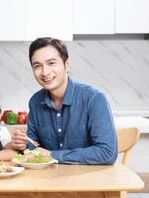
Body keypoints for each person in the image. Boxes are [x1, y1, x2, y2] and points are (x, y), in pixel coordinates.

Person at [11, 37, 118, 165]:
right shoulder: (35, 102)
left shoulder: (94, 98)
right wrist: (24, 144)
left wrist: (53, 155)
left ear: (66, 65)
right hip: (48, 180)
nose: (45, 72)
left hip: (88, 180)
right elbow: (35, 147)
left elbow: (107, 152)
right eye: (37, 66)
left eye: (51, 63)